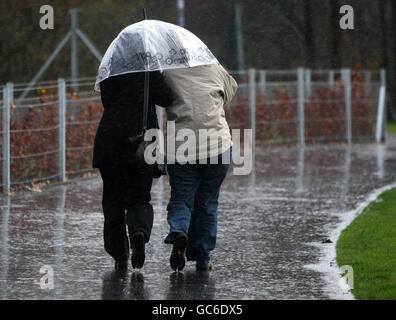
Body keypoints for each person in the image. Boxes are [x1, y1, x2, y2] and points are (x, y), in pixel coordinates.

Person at [93, 71, 173, 270]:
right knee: (139, 197)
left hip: (109, 139)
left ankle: (119, 254)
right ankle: (139, 232)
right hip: (142, 141)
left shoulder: (111, 69)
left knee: (112, 199)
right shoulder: (149, 71)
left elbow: (107, 100)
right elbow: (166, 98)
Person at [162, 63, 238, 272]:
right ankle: (203, 257)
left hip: (182, 146)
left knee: (181, 198)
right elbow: (230, 90)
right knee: (207, 201)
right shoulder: (213, 67)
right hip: (217, 146)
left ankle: (179, 232)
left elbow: (160, 98)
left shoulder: (167, 73)